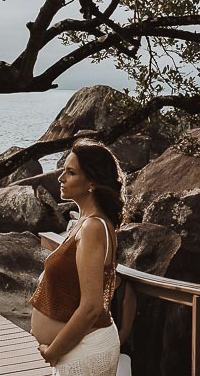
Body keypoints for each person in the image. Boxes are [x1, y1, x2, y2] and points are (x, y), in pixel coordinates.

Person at [30, 139, 123, 376]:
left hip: (83, 351)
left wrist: (52, 352)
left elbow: (92, 306)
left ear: (92, 182)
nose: (61, 178)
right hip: (80, 349)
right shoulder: (86, 222)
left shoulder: (93, 227)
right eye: (63, 171)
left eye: (71, 173)